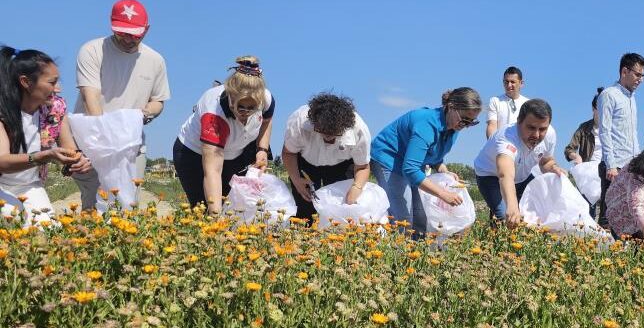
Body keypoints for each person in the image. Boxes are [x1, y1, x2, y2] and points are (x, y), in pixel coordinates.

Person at [74, 0, 170, 208]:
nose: (128, 39)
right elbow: (90, 98)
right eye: (122, 32)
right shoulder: (92, 50)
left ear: (147, 29)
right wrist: (106, 141)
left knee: (127, 204)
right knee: (93, 204)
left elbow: (158, 101)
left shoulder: (155, 60)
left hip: (131, 143)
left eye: (135, 34)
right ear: (111, 24)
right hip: (93, 141)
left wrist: (143, 114)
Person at [370, 88, 481, 237]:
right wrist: (443, 194)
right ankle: (397, 253)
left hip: (410, 164)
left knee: (422, 216)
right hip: (389, 159)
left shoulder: (453, 128)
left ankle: (417, 254)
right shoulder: (426, 125)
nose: (466, 125)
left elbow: (433, 153)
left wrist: (442, 168)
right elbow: (410, 169)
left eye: (471, 122)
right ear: (451, 107)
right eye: (464, 119)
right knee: (403, 218)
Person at [0, 47, 92, 225]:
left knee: (48, 231)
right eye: (52, 82)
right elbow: (2, 161)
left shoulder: (55, 109)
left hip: (30, 185)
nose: (58, 88)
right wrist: (44, 156)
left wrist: (77, 160)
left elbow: (69, 149)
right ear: (26, 82)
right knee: (13, 224)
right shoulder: (4, 112)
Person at [173, 57, 274, 214]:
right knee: (205, 208)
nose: (246, 113)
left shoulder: (266, 99)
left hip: (235, 153)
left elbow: (267, 121)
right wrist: (216, 220)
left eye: (252, 108)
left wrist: (262, 149)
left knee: (235, 206)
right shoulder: (214, 114)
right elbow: (212, 171)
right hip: (193, 154)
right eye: (241, 107)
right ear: (231, 97)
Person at [282, 93, 371, 222]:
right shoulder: (300, 122)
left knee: (342, 208)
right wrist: (296, 181)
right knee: (305, 210)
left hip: (342, 165)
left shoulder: (359, 129)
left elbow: (363, 166)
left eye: (334, 134)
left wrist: (356, 187)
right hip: (306, 163)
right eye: (323, 132)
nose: (328, 138)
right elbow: (289, 153)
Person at [474, 98, 562, 227]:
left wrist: (554, 168)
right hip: (491, 176)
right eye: (531, 128)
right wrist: (512, 205)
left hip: (522, 177)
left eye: (542, 129)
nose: (536, 135)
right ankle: (495, 243)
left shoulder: (550, 135)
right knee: (506, 216)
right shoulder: (507, 138)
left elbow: (545, 161)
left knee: (537, 216)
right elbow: (505, 174)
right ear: (519, 121)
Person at [598, 52, 644, 227]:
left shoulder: (632, 98)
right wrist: (610, 164)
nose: (640, 79)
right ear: (624, 71)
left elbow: (632, 133)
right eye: (637, 74)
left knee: (630, 213)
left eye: (643, 76)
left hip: (631, 164)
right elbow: (604, 131)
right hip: (615, 165)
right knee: (611, 215)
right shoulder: (609, 94)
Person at [485, 67, 530, 139]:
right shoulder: (495, 101)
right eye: (506, 82)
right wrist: (493, 145)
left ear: (521, 83)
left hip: (521, 146)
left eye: (512, 82)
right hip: (500, 145)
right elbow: (492, 125)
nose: (509, 85)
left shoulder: (528, 104)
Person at [564, 88, 603, 165]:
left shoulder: (613, 129)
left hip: (608, 171)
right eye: (600, 109)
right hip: (588, 168)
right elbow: (569, 150)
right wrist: (576, 157)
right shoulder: (583, 128)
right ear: (593, 108)